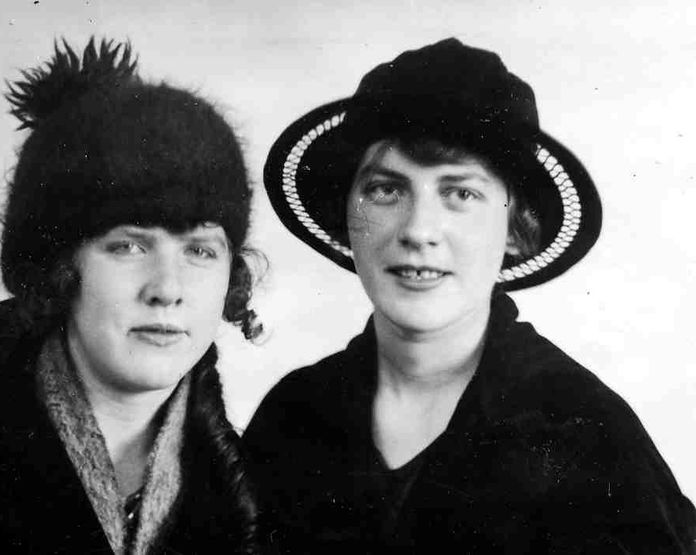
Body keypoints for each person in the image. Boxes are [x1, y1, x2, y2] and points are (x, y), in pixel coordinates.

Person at [244, 38, 696, 553]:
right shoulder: (294, 416)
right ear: (347, 214)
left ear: (515, 226)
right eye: (386, 190)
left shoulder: (583, 431)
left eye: (461, 193)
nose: (419, 230)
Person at [0, 38, 263, 554]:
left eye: (200, 251)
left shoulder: (262, 492)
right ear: (59, 271)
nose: (167, 289)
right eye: (129, 246)